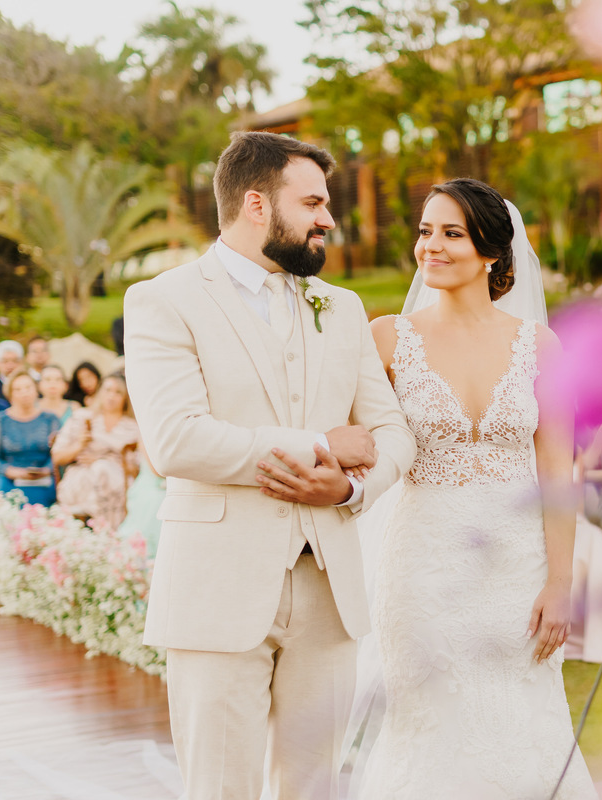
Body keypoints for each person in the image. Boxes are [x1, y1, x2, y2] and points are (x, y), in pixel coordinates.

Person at [123, 131, 415, 800]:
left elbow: (391, 433)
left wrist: (347, 487)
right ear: (256, 203)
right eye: (312, 202)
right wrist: (318, 443)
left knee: (316, 789)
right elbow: (177, 440)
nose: (328, 219)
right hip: (216, 590)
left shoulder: (339, 307)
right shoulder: (163, 301)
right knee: (220, 790)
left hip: (330, 591)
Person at [350, 178, 597, 798]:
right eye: (425, 231)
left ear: (491, 250)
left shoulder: (541, 346)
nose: (430, 246)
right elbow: (350, 437)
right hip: (423, 569)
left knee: (526, 723)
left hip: (519, 569)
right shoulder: (386, 339)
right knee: (429, 726)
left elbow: (556, 474)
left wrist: (561, 582)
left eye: (450, 233)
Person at [51, 372, 141, 529]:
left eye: (118, 392)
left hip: (119, 478)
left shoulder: (133, 426)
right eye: (107, 390)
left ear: (125, 397)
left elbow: (137, 467)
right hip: (83, 476)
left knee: (103, 469)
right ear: (100, 393)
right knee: (99, 471)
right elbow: (57, 456)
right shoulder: (82, 417)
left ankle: (101, 527)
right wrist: (79, 445)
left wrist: (105, 461)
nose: (111, 396)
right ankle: (105, 529)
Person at [0, 370, 60, 505]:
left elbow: (58, 453)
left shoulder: (50, 419)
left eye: (28, 387)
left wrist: (46, 470)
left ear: (36, 390)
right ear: (10, 394)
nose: (24, 392)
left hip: (42, 477)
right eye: (18, 389)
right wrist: (11, 471)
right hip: (8, 478)